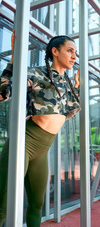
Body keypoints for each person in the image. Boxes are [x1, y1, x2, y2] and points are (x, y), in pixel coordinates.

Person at [0, 30, 80, 226]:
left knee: (37, 204)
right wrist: (12, 61)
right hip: (24, 143)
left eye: (75, 53)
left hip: (43, 149)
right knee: (3, 204)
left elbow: (70, 111)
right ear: (54, 51)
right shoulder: (35, 73)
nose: (73, 56)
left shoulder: (67, 83)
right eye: (70, 51)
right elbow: (2, 93)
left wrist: (77, 88)